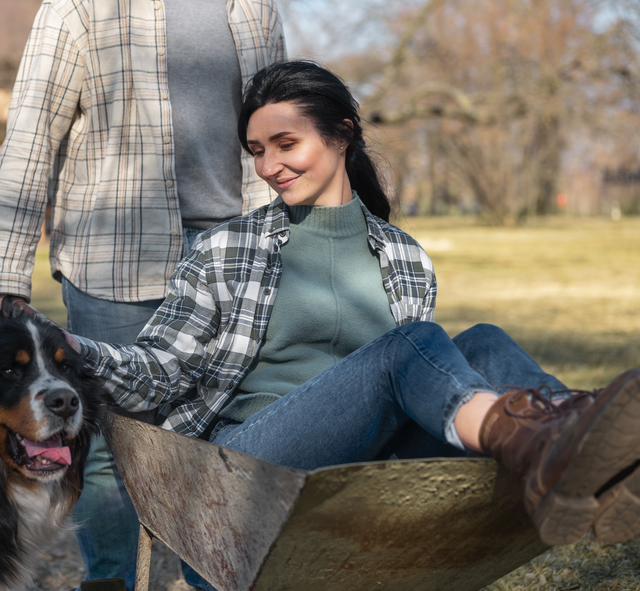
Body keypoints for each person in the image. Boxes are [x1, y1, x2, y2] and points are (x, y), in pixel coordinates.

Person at [66, 61, 640, 571]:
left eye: (285, 144)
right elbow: (159, 371)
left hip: (366, 473)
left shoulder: (405, 258)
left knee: (486, 343)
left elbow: (422, 394)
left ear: (342, 135)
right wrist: (69, 351)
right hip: (247, 473)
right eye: (257, 150)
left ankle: (588, 452)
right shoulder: (226, 249)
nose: (268, 166)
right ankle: (548, 448)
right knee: (407, 347)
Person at [0, 0, 285, 587]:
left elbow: (277, 133)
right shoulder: (81, 0)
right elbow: (32, 133)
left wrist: (289, 238)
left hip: (230, 257)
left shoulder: (252, 4)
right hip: (115, 263)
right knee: (113, 442)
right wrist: (2, 269)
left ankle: (211, 578)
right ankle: (112, 579)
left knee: (222, 437)